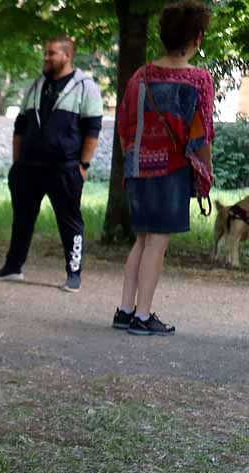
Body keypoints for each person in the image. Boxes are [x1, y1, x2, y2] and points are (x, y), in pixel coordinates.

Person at [114, 0, 214, 336]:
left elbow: (125, 124)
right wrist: (205, 172)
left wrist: (134, 158)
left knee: (142, 240)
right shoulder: (198, 80)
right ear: (197, 37)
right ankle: (143, 317)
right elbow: (202, 135)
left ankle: (125, 310)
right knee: (158, 243)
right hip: (171, 171)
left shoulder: (139, 76)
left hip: (138, 168)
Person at [0, 36, 103, 291]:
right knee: (22, 218)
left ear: (67, 55)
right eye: (46, 53)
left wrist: (82, 165)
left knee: (70, 221)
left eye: (51, 53)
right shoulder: (36, 86)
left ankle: (74, 273)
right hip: (29, 167)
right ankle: (13, 266)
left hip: (65, 168)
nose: (46, 57)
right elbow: (20, 126)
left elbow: (92, 130)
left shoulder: (86, 87)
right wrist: (16, 164)